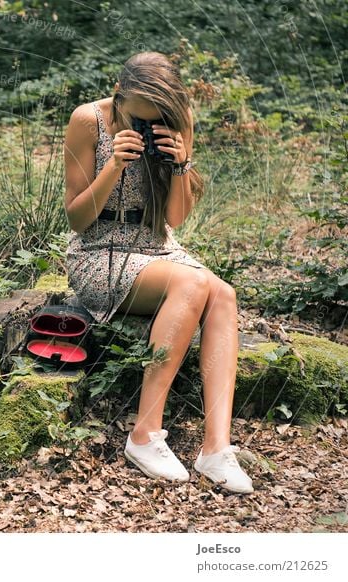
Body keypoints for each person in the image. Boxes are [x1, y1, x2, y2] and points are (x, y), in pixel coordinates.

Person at [62, 51, 253, 494]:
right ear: (118, 94)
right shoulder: (87, 120)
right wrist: (113, 166)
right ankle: (144, 434)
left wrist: (182, 164)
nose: (145, 130)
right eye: (137, 120)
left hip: (157, 247)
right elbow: (75, 219)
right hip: (99, 251)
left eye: (153, 122)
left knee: (222, 294)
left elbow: (175, 219)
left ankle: (216, 448)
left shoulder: (179, 118)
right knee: (194, 281)